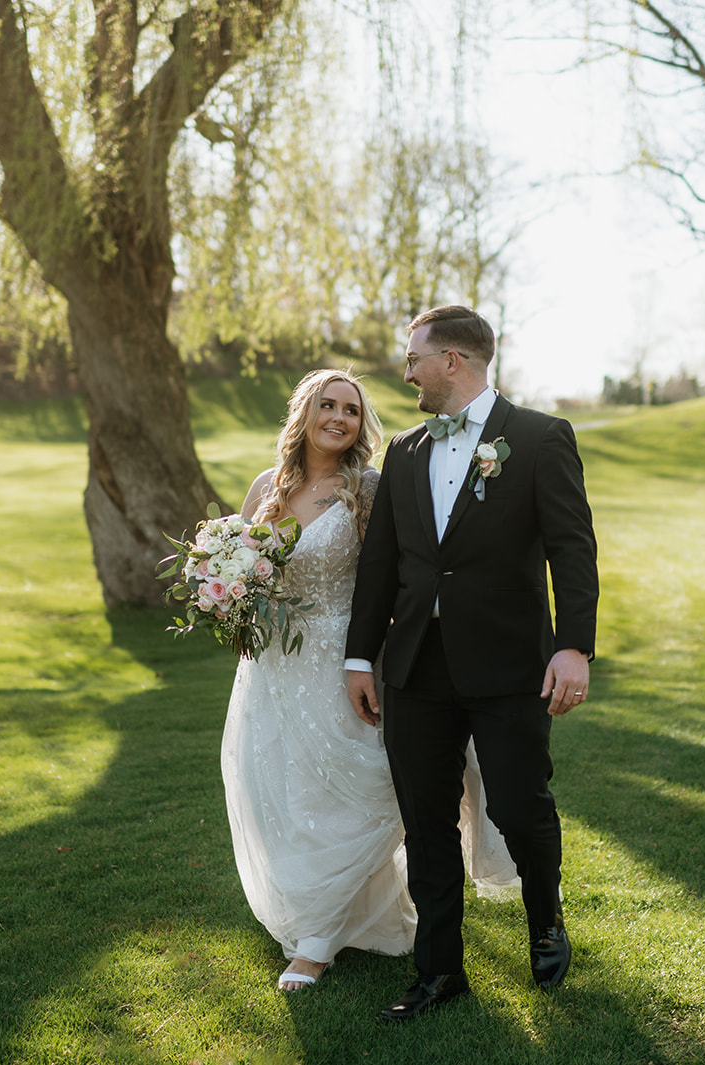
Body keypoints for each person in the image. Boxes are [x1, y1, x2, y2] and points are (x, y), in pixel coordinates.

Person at [222, 368, 517, 993]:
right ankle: (319, 914)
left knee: (360, 789)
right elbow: (244, 572)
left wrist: (379, 655)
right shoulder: (265, 488)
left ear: (361, 424)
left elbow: (393, 578)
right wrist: (217, 594)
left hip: (342, 656)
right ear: (303, 412)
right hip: (270, 664)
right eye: (326, 404)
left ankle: (317, 945)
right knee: (283, 789)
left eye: (350, 410)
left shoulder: (368, 488)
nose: (338, 417)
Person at [345, 306, 599, 1022]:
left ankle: (546, 922)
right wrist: (362, 655)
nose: (407, 371)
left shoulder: (542, 438)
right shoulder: (405, 449)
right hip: (415, 668)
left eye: (414, 358)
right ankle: (439, 970)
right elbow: (382, 565)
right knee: (426, 822)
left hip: (509, 665)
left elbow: (572, 551)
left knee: (520, 805)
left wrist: (573, 645)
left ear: (452, 360)